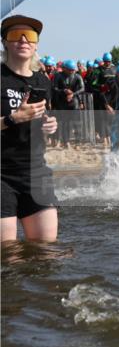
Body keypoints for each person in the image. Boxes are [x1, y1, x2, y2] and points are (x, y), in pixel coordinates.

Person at [1, 14, 59, 242]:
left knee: (46, 253)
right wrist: (12, 118)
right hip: (1, 173)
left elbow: (44, 116)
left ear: (36, 44)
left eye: (30, 35)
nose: (23, 40)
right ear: (5, 42)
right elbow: (16, 119)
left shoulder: (42, 81)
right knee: (7, 257)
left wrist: (49, 125)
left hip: (36, 172)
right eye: (16, 35)